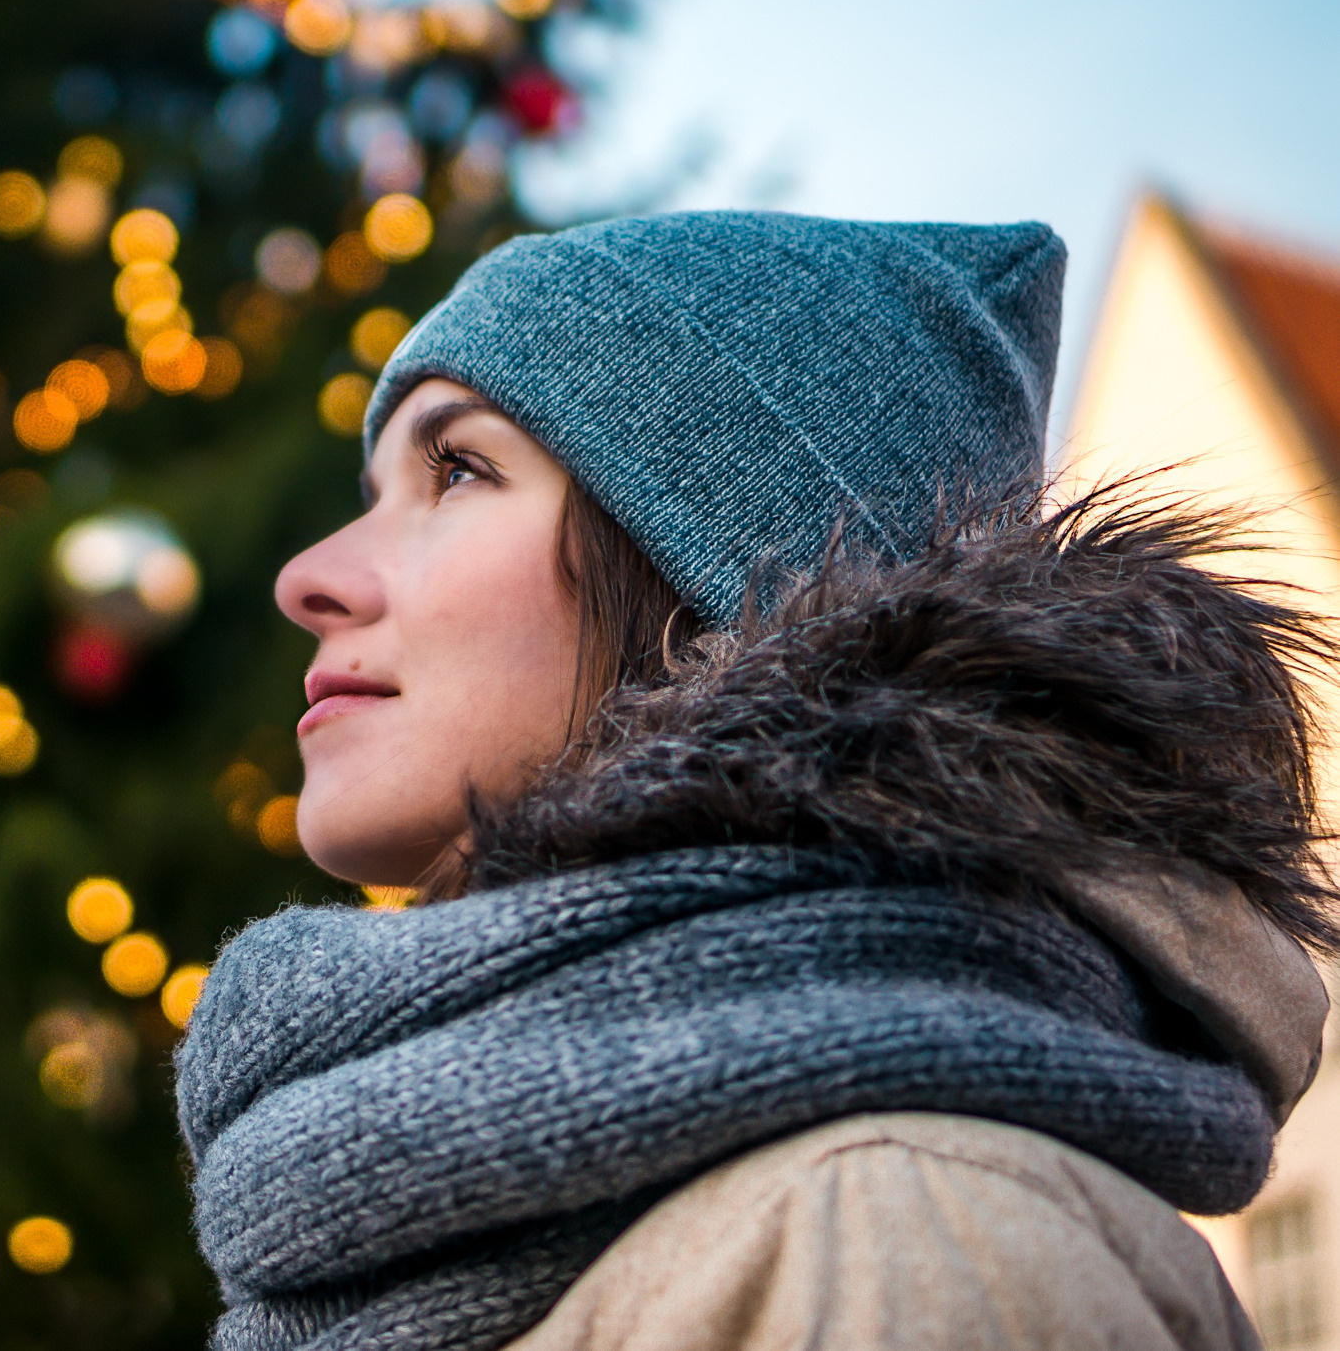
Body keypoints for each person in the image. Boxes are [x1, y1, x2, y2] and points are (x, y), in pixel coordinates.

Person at [175, 212, 1334, 1351]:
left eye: (459, 469)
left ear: (723, 584)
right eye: (376, 491)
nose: (307, 577)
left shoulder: (901, 1233)